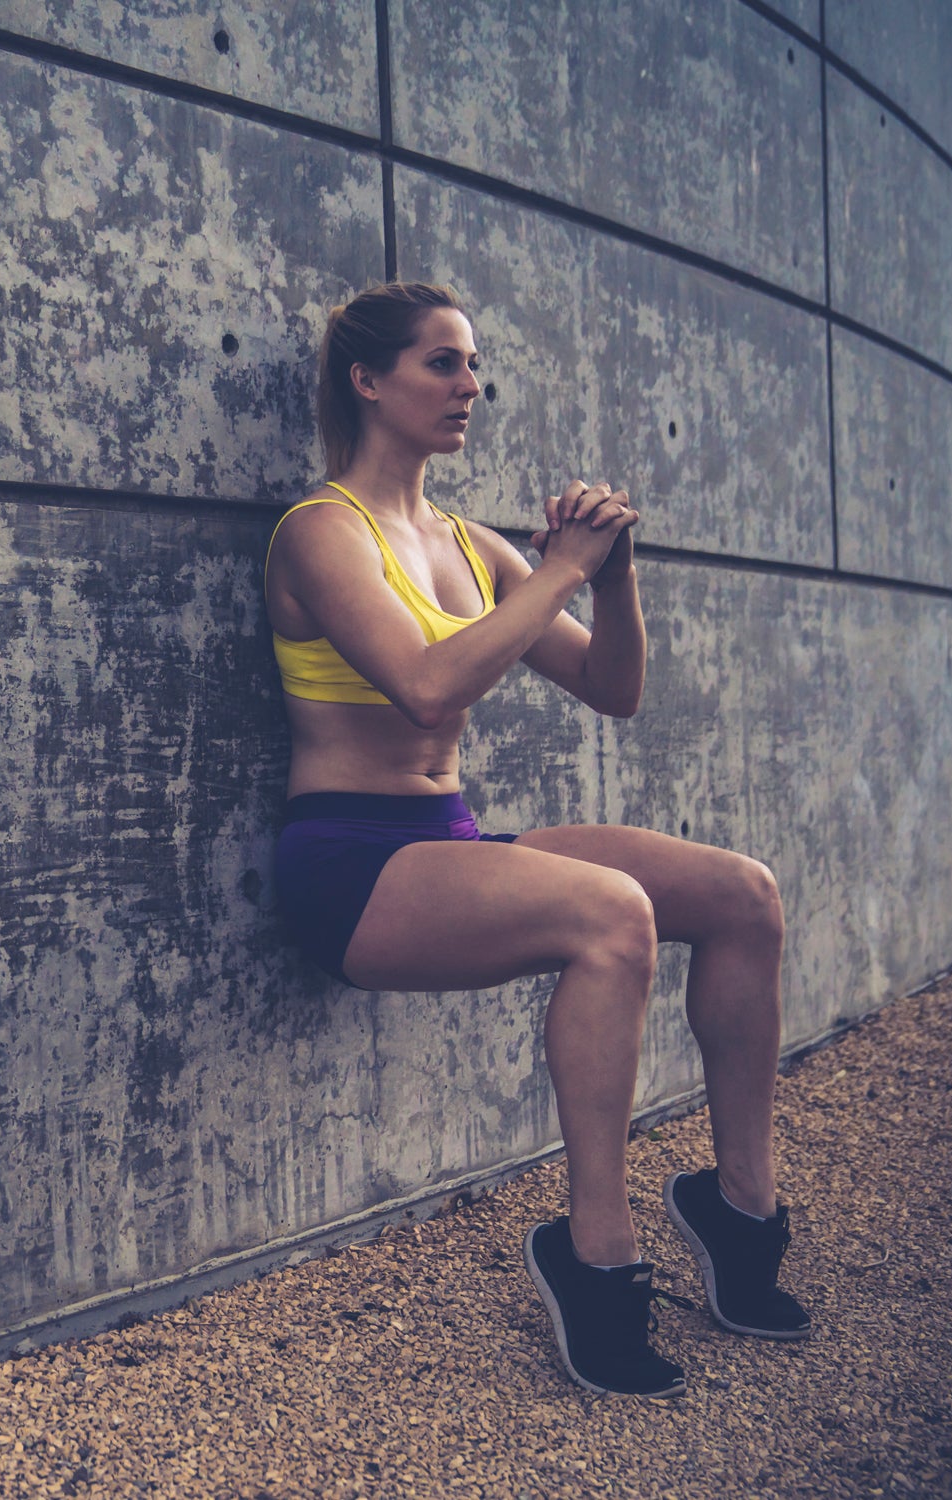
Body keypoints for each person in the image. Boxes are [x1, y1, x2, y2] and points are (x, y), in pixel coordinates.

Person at [263, 281, 810, 1398]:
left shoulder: (470, 545)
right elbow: (423, 688)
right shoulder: (321, 532)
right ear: (368, 380)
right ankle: (596, 1252)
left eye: (475, 366)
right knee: (613, 912)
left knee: (743, 894)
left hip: (449, 836)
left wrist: (614, 577)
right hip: (349, 866)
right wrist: (558, 568)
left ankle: (741, 1210)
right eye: (443, 363)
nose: (471, 387)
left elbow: (613, 688)